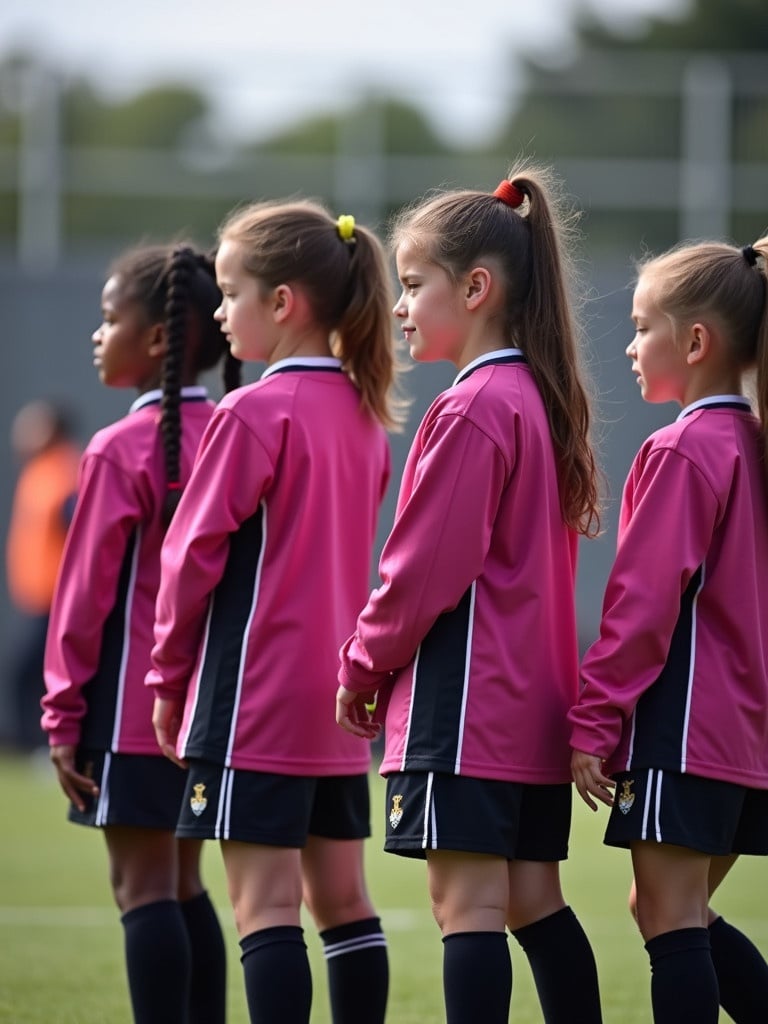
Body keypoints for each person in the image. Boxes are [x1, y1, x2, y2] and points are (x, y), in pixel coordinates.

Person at [336, 165, 604, 1024]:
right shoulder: (536, 397)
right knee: (534, 902)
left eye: (413, 285)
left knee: (470, 911)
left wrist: (364, 664)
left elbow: (421, 569)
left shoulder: (475, 406)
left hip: (468, 711)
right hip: (527, 711)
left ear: (477, 287)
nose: (402, 306)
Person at [147, 199, 402, 1024]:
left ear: (283, 302)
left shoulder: (251, 411)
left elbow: (189, 560)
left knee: (263, 907)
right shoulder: (366, 419)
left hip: (252, 702)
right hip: (334, 707)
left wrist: (165, 677)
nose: (219, 312)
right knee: (345, 902)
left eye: (230, 292)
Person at [569, 236, 768, 1024]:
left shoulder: (684, 449)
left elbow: (642, 607)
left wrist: (594, 719)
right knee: (666, 911)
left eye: (641, 325)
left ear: (695, 342)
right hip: (743, 739)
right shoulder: (754, 445)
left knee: (670, 919)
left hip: (689, 733)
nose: (628, 344)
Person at [41, 243, 239, 1024]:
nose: (98, 333)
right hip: (205, 712)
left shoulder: (118, 449)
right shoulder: (229, 428)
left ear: (158, 340)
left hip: (129, 713)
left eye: (109, 317)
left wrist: (60, 716)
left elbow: (82, 599)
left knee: (142, 890)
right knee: (186, 885)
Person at [5, 399, 80, 751]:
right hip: (38, 597)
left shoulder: (64, 472)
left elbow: (80, 533)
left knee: (32, 673)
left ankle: (40, 744)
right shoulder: (40, 471)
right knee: (31, 673)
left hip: (57, 598)